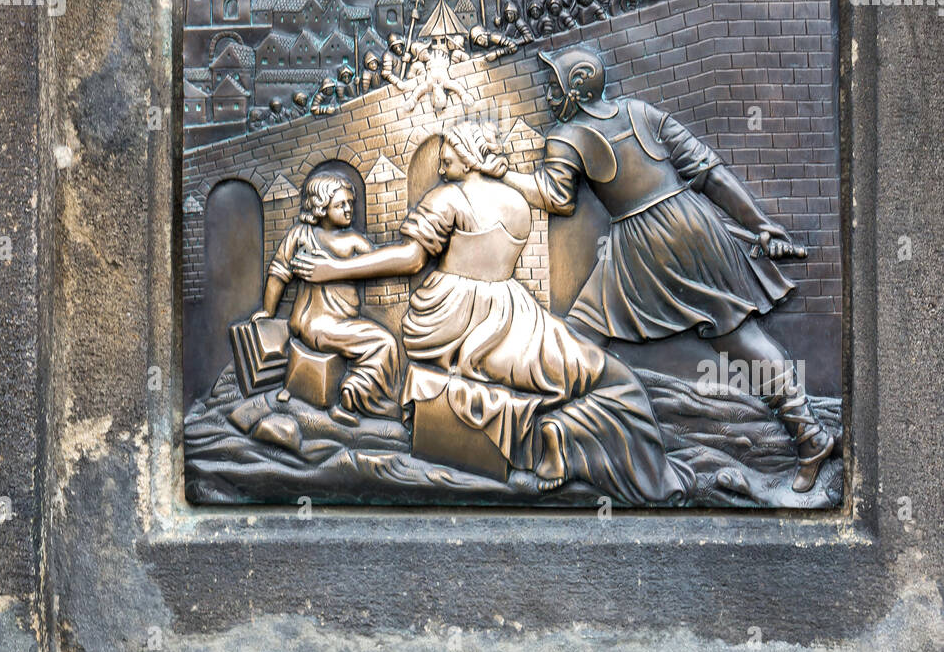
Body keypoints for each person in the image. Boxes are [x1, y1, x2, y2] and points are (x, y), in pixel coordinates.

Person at [290, 122, 694, 505]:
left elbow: (412, 259)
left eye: (449, 148)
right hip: (514, 315)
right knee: (606, 376)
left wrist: (334, 269)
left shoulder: (447, 197)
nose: (441, 157)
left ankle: (550, 432)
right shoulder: (517, 201)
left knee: (537, 371)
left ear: (468, 154)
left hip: (447, 321)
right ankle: (567, 432)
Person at [501, 46, 833, 492]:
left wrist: (503, 174)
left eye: (554, 83)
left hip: (643, 244)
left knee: (578, 336)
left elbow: (557, 197)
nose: (547, 93)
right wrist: (759, 224)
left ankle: (551, 443)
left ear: (576, 88)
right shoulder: (642, 112)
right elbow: (707, 172)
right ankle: (809, 436)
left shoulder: (567, 136)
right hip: (695, 224)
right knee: (737, 335)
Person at [252, 172, 400, 418]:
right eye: (340, 205)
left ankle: (351, 391)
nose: (348, 209)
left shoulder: (351, 240)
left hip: (332, 324)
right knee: (383, 342)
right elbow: (278, 273)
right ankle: (354, 396)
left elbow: (378, 262)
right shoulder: (302, 235)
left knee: (376, 340)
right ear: (320, 207)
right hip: (318, 325)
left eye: (350, 203)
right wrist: (268, 310)